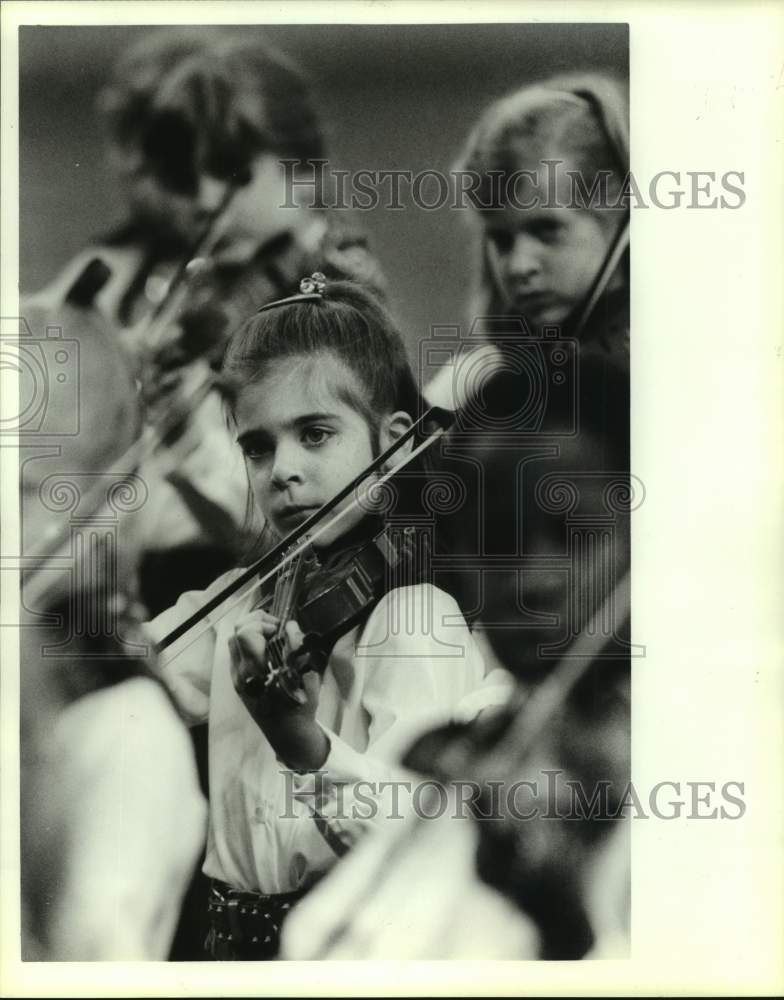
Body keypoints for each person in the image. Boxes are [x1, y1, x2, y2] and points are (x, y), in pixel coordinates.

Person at [144, 277, 490, 960]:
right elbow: (120, 685)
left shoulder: (416, 619)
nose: (282, 471)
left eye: (315, 434)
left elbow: (414, 844)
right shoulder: (242, 598)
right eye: (258, 447)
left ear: (393, 444)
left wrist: (305, 743)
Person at [26, 27, 385, 615]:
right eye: (193, 173)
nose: (204, 195)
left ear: (302, 166)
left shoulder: (338, 288)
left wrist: (185, 437)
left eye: (229, 170)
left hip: (251, 594)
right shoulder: (202, 279)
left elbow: (297, 504)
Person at [425, 72, 629, 412]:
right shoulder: (479, 380)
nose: (519, 266)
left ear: (619, 212)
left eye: (547, 229)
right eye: (502, 240)